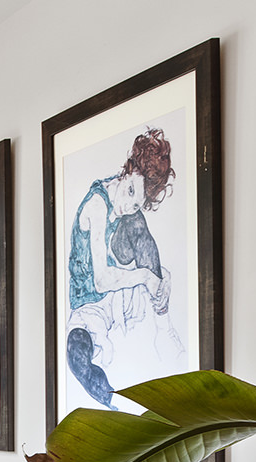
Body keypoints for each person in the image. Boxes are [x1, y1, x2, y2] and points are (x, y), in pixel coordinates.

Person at [65, 127, 182, 408]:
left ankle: (164, 328)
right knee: (76, 355)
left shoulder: (130, 212)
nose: (127, 204)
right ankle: (117, 407)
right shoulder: (96, 204)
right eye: (130, 191)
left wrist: (150, 277)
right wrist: (144, 276)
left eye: (136, 202)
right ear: (127, 171)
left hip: (121, 291)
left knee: (136, 223)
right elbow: (101, 281)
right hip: (90, 305)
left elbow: (131, 238)